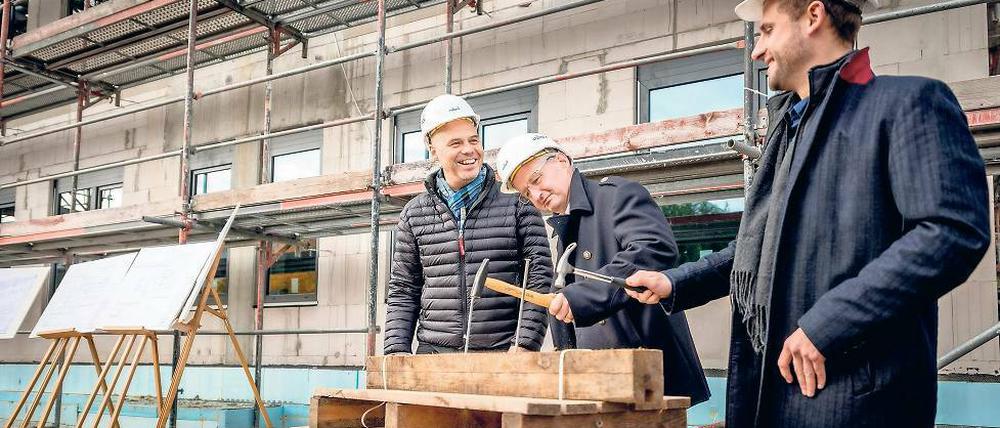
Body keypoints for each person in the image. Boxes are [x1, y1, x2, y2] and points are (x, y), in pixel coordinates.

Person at [623, 0, 991, 426]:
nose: (757, 51)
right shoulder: (787, 132)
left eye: (766, 31)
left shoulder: (909, 103)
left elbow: (951, 232)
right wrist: (673, 282)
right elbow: (758, 250)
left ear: (813, 16)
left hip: (852, 396)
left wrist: (828, 324)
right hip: (770, 391)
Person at [495, 133, 711, 404]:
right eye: (527, 192)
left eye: (537, 180)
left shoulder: (617, 196)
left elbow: (652, 250)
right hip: (597, 381)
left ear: (562, 160)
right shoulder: (566, 226)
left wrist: (585, 296)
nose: (536, 195)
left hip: (646, 377)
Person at [384, 94, 553, 355]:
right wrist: (396, 350)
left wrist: (525, 343)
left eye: (473, 140)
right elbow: (404, 288)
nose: (469, 150)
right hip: (434, 355)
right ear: (433, 148)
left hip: (501, 354)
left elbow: (539, 278)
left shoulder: (517, 204)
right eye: (455, 143)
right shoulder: (414, 214)